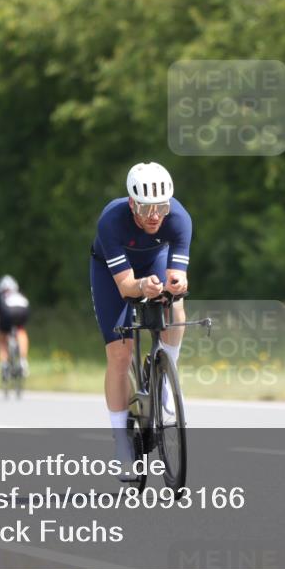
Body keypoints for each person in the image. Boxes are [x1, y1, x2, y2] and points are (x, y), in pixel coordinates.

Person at [90, 162, 191, 474]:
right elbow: (126, 287)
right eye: (147, 208)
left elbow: (176, 275)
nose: (155, 216)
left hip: (153, 259)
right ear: (132, 203)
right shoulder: (111, 221)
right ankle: (122, 441)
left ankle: (165, 381)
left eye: (161, 207)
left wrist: (177, 284)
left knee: (175, 305)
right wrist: (141, 286)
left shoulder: (179, 218)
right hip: (112, 272)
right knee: (119, 354)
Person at [0, 275, 31, 383]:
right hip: (22, 310)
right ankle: (23, 361)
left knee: (2, 339)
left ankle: (4, 364)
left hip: (6, 313)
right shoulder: (19, 293)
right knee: (21, 331)